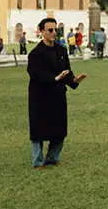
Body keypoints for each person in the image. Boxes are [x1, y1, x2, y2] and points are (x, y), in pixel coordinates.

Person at [26, 16, 86, 168]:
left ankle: (52, 158)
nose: (54, 33)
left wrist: (74, 81)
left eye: (56, 30)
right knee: (38, 131)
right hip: (40, 96)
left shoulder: (61, 50)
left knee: (59, 129)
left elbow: (67, 72)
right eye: (50, 30)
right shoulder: (35, 54)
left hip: (58, 96)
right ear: (42, 32)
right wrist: (54, 78)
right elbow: (35, 73)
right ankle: (38, 162)